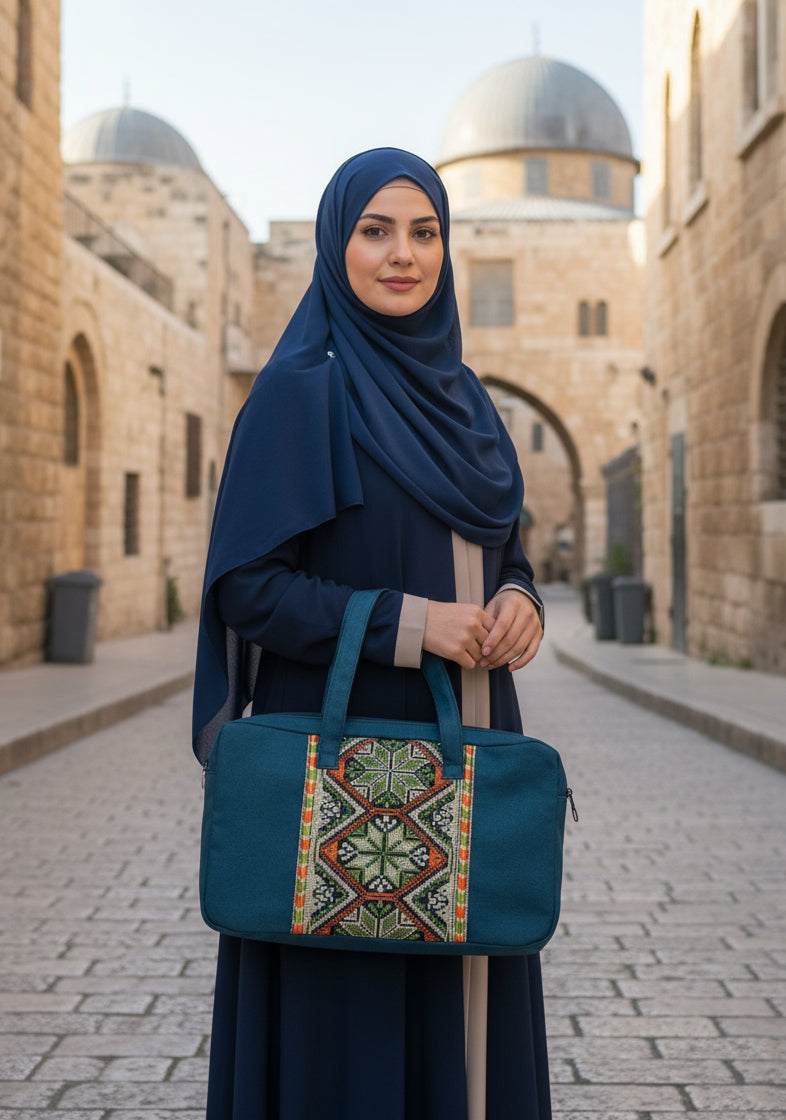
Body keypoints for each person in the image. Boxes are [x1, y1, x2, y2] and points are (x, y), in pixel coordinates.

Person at [193, 148, 550, 1120]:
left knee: (466, 997)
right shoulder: (298, 396)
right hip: (342, 757)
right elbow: (248, 592)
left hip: (469, 736)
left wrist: (521, 599)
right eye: (376, 231)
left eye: (424, 232)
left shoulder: (469, 403)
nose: (404, 255)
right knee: (344, 1019)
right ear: (335, 243)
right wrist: (405, 623)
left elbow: (503, 547)